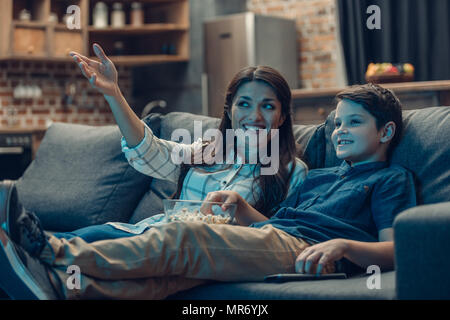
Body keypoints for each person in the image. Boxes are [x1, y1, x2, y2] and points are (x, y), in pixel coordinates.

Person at [0, 83, 417, 300]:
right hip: (276, 238)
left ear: (386, 131)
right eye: (337, 123)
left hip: (312, 253)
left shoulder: (390, 179)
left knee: (184, 236)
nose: (340, 131)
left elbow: (399, 250)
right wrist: (240, 208)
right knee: (172, 281)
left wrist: (343, 246)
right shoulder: (324, 176)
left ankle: (49, 250)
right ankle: (60, 288)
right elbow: (274, 225)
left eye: (354, 123)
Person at [44, 43, 307, 243]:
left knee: (67, 250)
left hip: (187, 249)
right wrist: (114, 94)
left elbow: (283, 238)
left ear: (282, 116)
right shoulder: (206, 151)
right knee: (64, 241)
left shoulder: (292, 171)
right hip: (150, 233)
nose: (255, 116)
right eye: (244, 104)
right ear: (229, 111)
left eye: (268, 106)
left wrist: (240, 207)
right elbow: (150, 152)